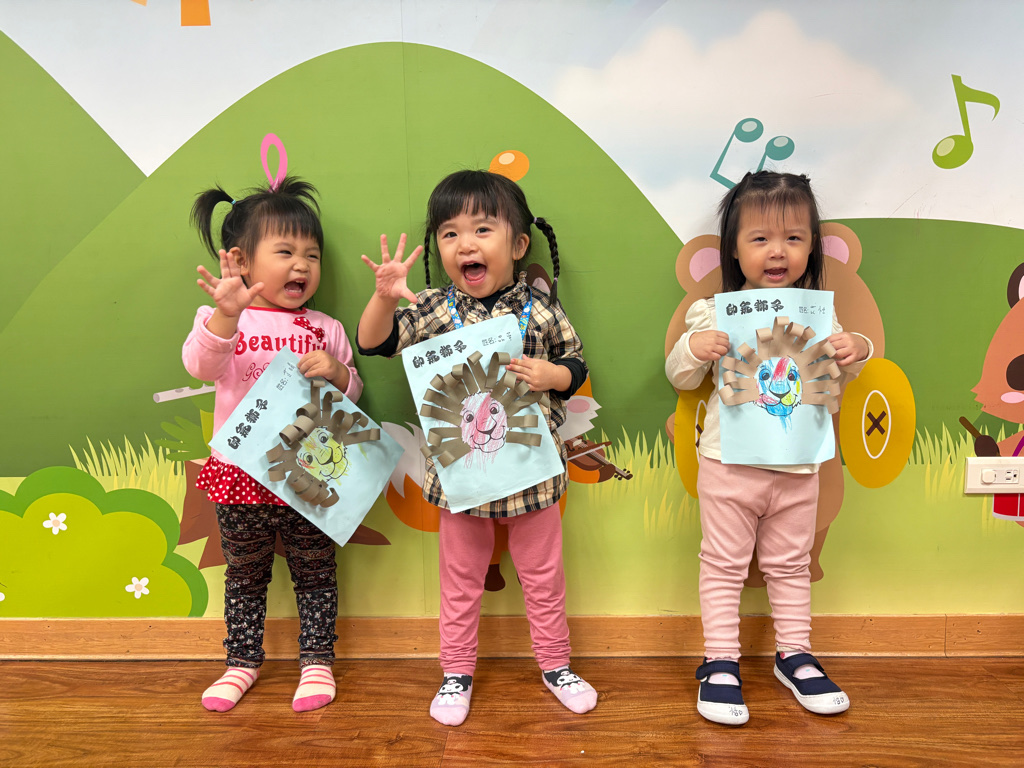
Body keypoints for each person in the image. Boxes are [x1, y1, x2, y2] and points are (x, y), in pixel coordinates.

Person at [357, 169, 597, 726]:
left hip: (533, 477)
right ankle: (456, 672)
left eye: (482, 229)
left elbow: (576, 365)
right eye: (449, 233)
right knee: (460, 582)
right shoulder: (434, 308)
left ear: (518, 245)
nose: (465, 243)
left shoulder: (541, 309)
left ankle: (556, 665)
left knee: (544, 578)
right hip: (460, 482)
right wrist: (383, 298)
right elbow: (374, 342)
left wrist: (553, 375)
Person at [666, 171, 871, 725]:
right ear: (734, 248)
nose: (777, 251)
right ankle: (720, 661)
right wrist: (694, 348)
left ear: (812, 246)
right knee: (723, 564)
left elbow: (844, 368)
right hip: (729, 463)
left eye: (793, 238)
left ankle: (795, 654)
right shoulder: (715, 310)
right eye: (760, 238)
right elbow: (680, 376)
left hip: (798, 464)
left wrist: (859, 347)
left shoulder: (819, 314)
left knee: (791, 564)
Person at [182, 176, 363, 713]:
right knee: (245, 575)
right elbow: (200, 365)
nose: (301, 265)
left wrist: (339, 373)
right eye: (285, 252)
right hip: (240, 475)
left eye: (312, 255)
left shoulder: (325, 327)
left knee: (316, 571)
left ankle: (317, 661)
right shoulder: (226, 317)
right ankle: (241, 662)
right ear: (241, 260)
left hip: (308, 472)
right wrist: (226, 313)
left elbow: (353, 394)